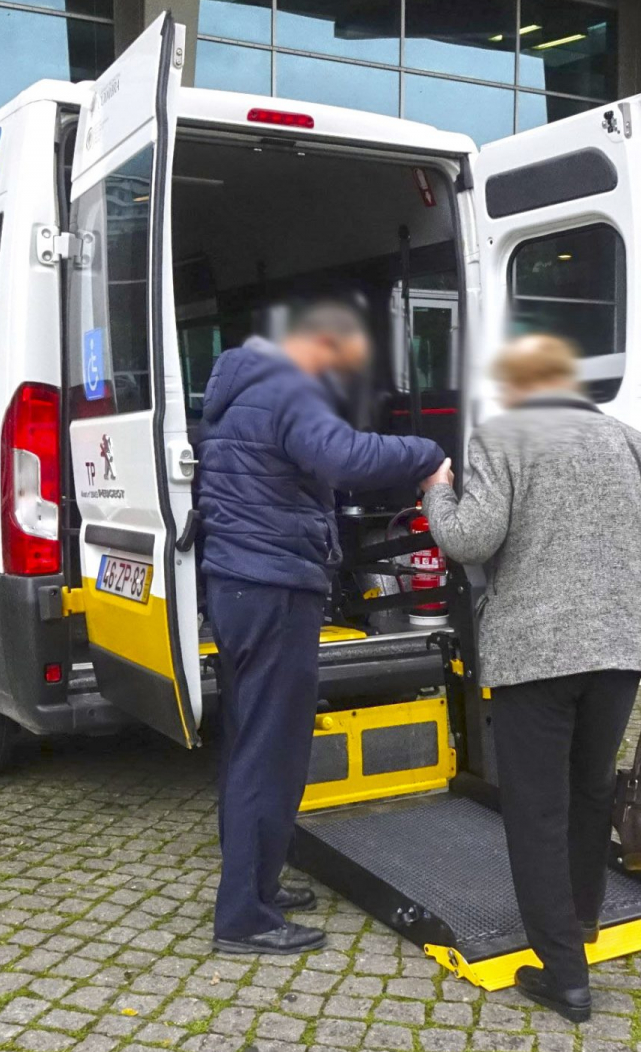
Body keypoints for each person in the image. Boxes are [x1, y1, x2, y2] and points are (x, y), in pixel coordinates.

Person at [421, 334, 641, 1022]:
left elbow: (469, 540)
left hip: (534, 657)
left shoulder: (501, 437)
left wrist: (437, 494)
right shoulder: (632, 443)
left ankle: (565, 976)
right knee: (589, 790)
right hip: (617, 656)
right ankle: (581, 922)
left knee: (537, 809)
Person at [198, 297, 447, 955]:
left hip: (238, 583)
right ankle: (243, 918)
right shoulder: (288, 391)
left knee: (251, 739)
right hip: (275, 588)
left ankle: (256, 885)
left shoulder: (239, 389)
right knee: (271, 751)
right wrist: (427, 454)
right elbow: (345, 457)